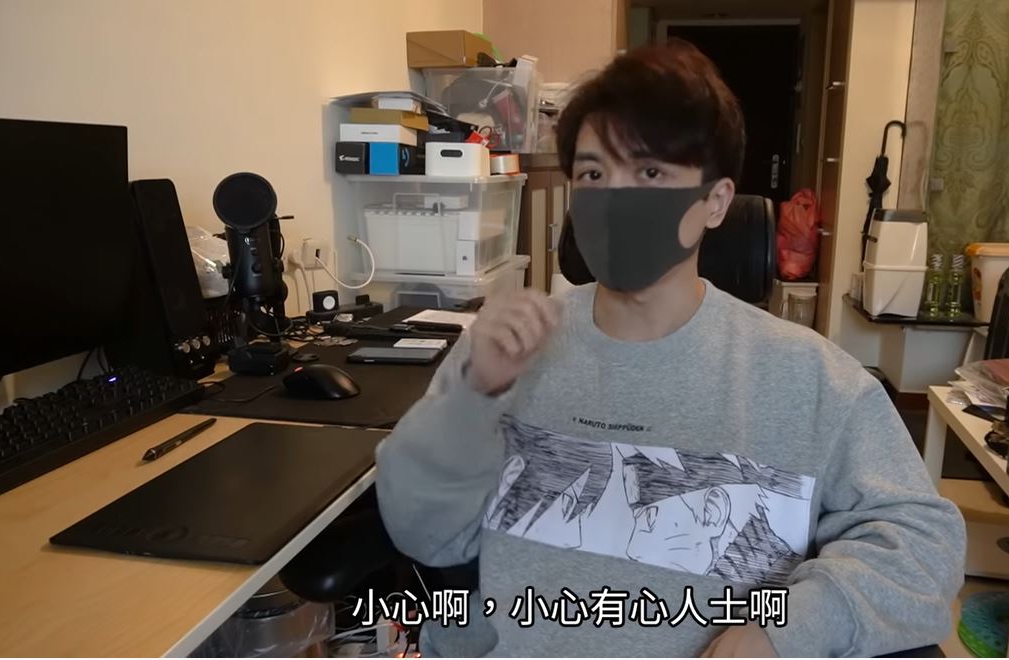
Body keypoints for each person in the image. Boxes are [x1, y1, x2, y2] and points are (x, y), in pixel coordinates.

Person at [376, 40, 965, 657]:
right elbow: (422, 535)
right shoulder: (507, 351)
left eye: (651, 173)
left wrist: (783, 633)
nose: (615, 199)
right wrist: (471, 397)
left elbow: (922, 546)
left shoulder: (812, 380)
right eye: (593, 174)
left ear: (715, 202)